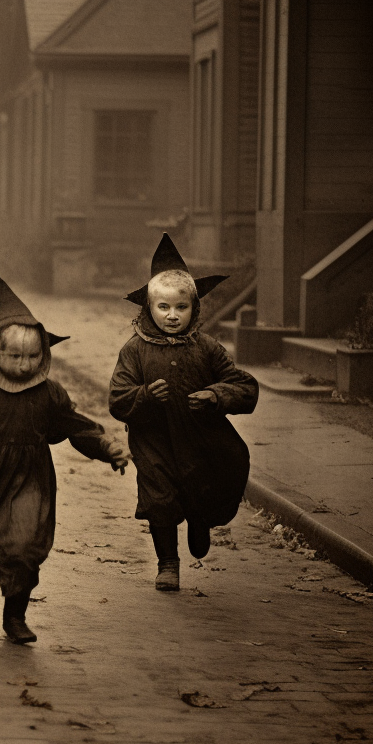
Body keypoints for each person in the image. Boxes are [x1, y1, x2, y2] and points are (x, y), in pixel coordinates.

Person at [0, 275, 129, 643]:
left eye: (33, 356)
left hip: (31, 480)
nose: (25, 366)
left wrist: (107, 447)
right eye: (15, 356)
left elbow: (76, 426)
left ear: (44, 354)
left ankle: (15, 616)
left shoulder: (50, 393)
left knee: (23, 547)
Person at [109, 233, 258, 591]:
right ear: (148, 308)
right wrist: (144, 395)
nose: (172, 316)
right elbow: (117, 398)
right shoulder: (134, 351)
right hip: (153, 440)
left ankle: (200, 520)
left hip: (199, 438)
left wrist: (216, 395)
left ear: (195, 308)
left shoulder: (206, 347)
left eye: (181, 308)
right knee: (158, 496)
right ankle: (168, 564)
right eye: (163, 308)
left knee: (201, 488)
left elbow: (245, 387)